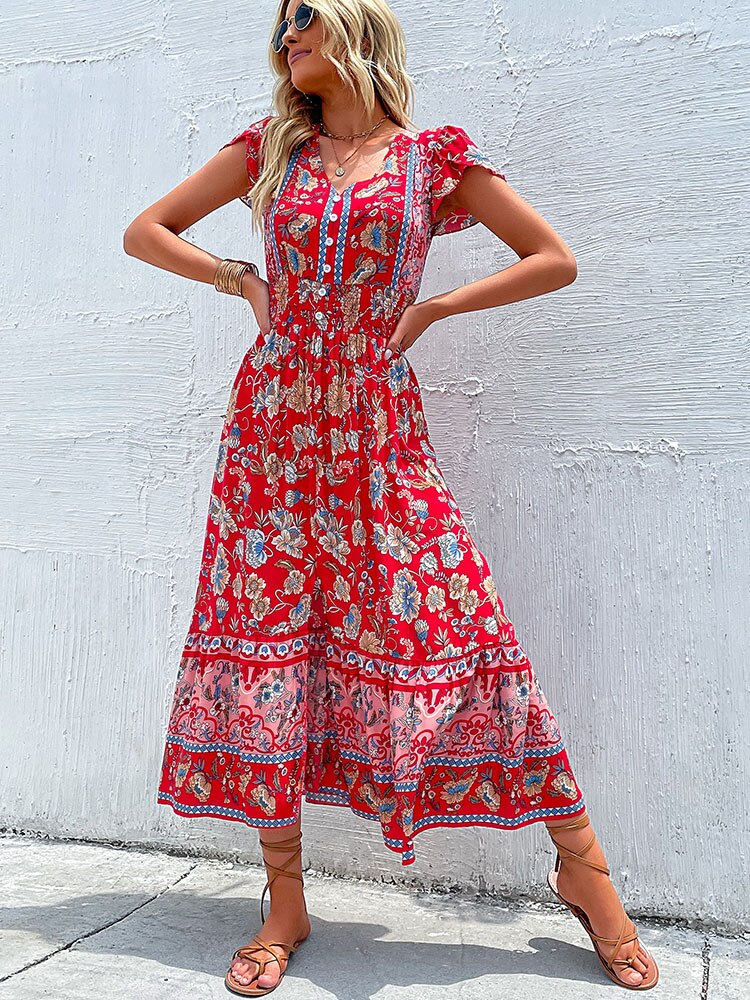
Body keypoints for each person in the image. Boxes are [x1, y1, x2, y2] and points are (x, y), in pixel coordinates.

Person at [123, 0, 659, 995]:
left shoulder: (431, 160)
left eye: (304, 18)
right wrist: (241, 280)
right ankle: (285, 901)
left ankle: (583, 871)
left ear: (357, 29)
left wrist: (437, 306)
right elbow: (145, 232)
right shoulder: (266, 151)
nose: (287, 37)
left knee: (465, 621)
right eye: (280, 27)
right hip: (274, 433)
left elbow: (555, 258)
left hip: (378, 428)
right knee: (268, 640)